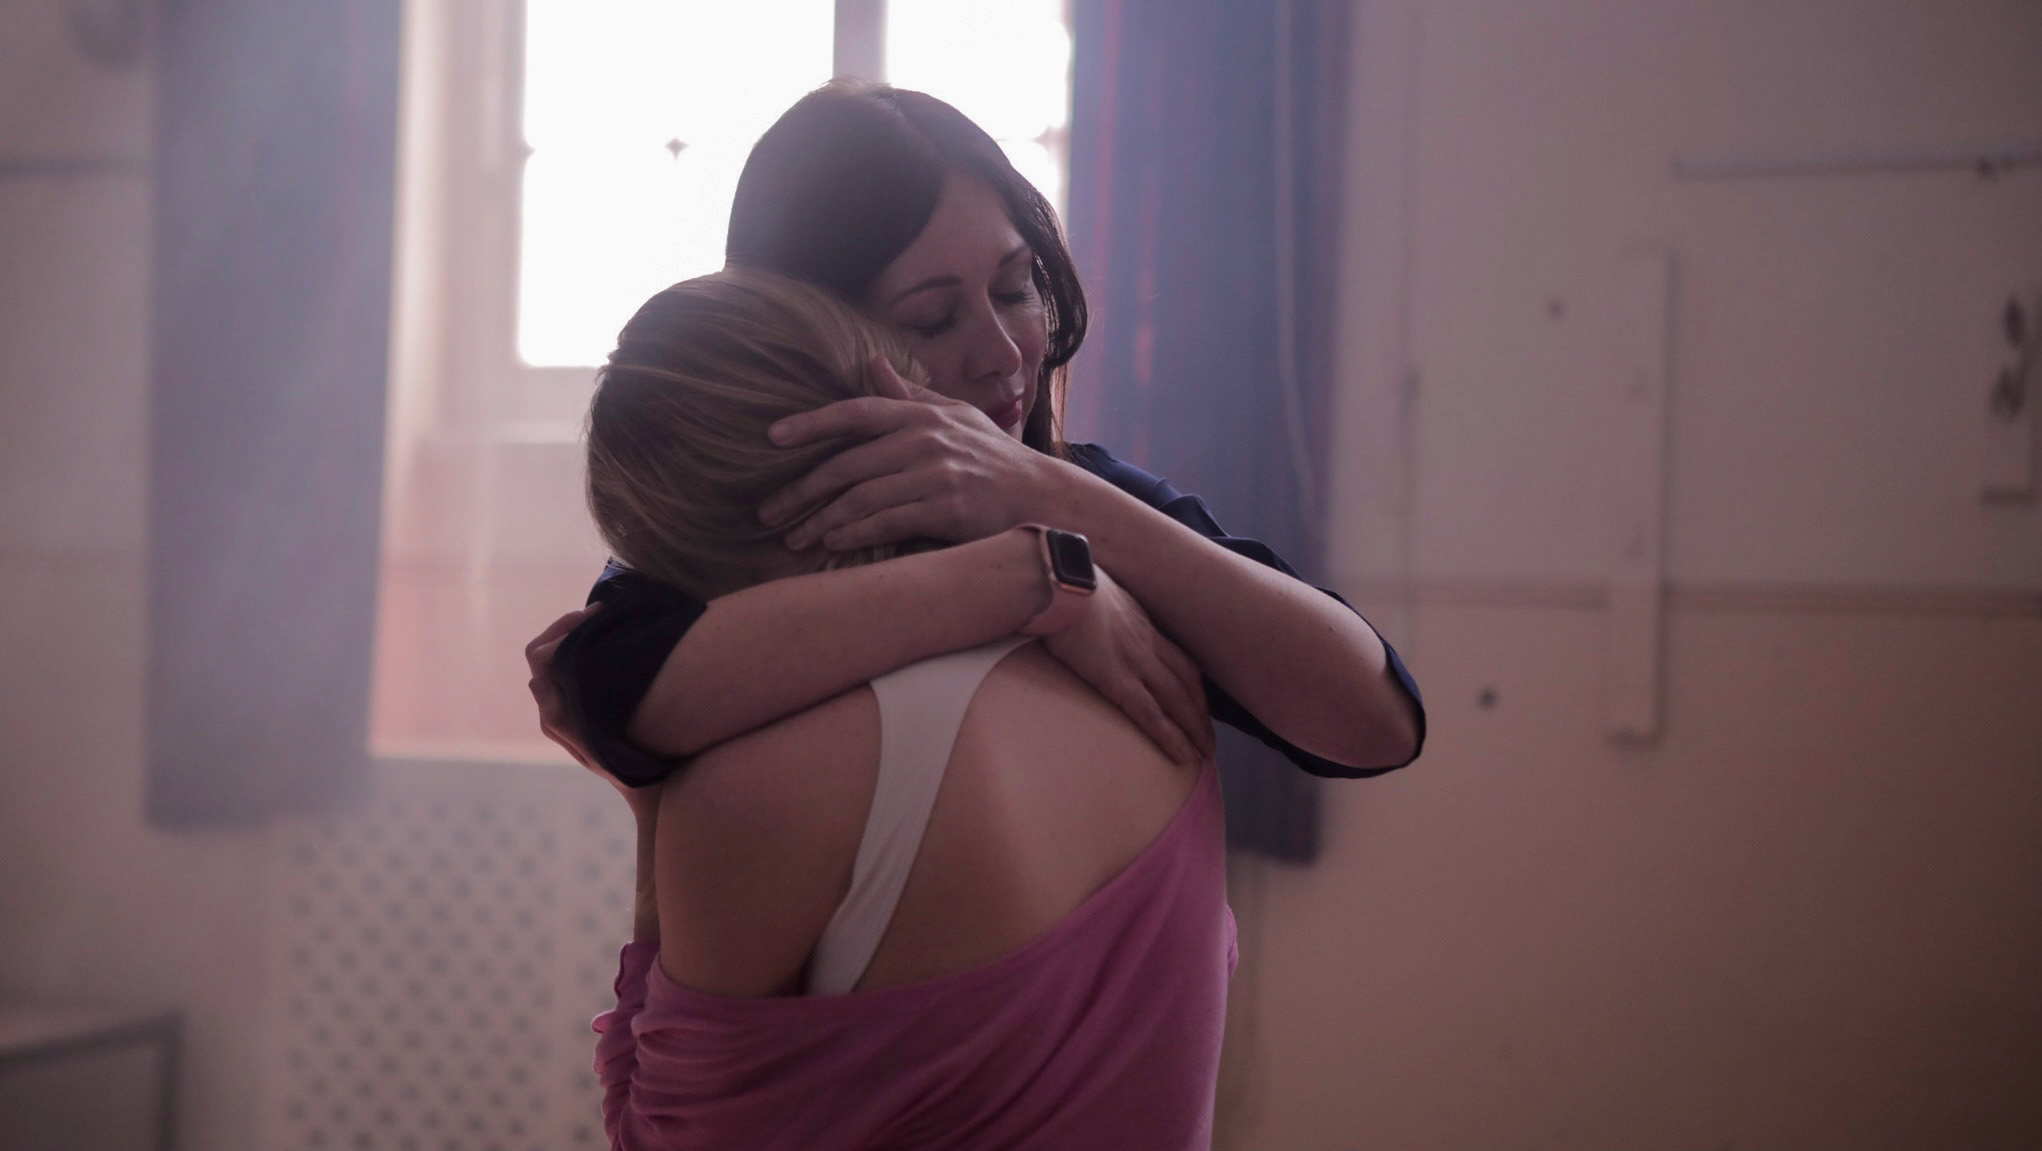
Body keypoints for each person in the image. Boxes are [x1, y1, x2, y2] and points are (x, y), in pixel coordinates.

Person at [527, 79, 1423, 820]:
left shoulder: (1069, 486)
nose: (1002, 353)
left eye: (1015, 287)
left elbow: (1375, 722)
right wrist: (1031, 582)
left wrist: (1048, 497)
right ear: (804, 333)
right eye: (932, 317)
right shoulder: (761, 523)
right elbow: (603, 688)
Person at [584, 268, 1234, 1150]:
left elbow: (657, 1138)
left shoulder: (758, 788)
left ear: (674, 557)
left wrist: (652, 808)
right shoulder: (1143, 670)